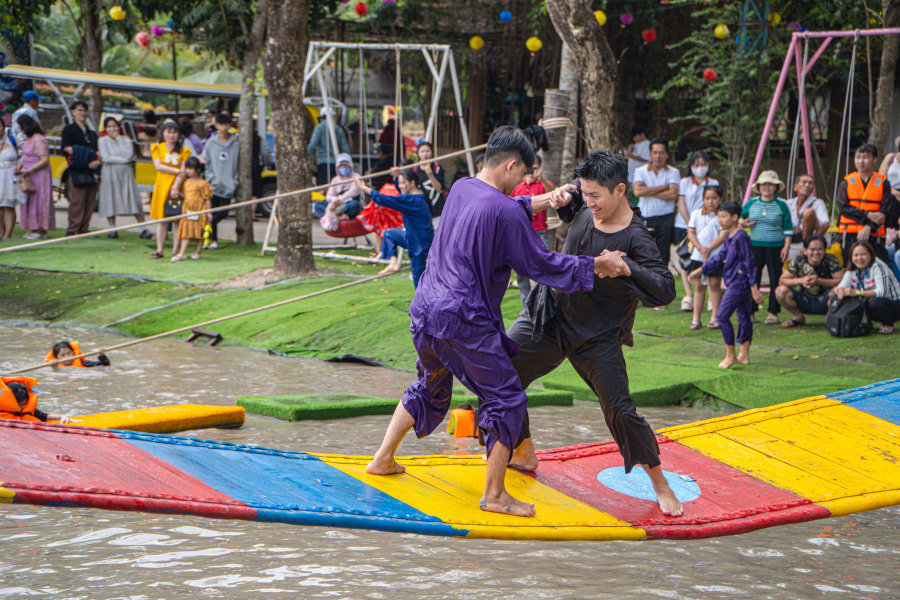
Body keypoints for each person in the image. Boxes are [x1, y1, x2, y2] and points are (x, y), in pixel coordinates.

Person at [365, 126, 606, 518]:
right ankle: (495, 495)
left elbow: (498, 209)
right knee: (507, 398)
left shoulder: (460, 187)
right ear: (511, 164)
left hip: (425, 310)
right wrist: (596, 266)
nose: (521, 183)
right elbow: (540, 264)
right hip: (463, 319)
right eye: (521, 175)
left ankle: (382, 458)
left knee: (429, 383)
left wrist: (545, 198)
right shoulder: (506, 208)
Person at [505, 150, 684, 517]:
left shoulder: (637, 238)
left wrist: (627, 268)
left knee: (619, 409)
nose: (589, 202)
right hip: (549, 315)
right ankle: (522, 450)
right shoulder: (586, 207)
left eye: (595, 196)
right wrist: (567, 196)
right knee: (503, 368)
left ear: (620, 190)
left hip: (596, 336)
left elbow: (666, 289)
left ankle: (660, 484)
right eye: (585, 194)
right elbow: (575, 200)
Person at [694, 202, 766, 369]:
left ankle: (731, 355)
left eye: (724, 216)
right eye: (719, 216)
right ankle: (744, 355)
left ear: (735, 217)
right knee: (743, 316)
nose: (720, 220)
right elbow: (720, 256)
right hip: (734, 281)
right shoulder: (730, 237)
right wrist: (701, 270)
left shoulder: (741, 237)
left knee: (722, 316)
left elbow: (749, 263)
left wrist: (754, 288)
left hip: (739, 283)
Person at [354, 168, 433, 286]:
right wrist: (397, 177)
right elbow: (401, 193)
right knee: (389, 234)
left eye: (402, 182)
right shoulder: (417, 194)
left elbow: (385, 200)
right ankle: (393, 262)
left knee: (419, 282)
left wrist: (364, 188)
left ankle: (423, 304)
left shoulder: (411, 200)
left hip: (419, 243)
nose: (400, 186)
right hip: (415, 237)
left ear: (412, 183)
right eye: (399, 183)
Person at [740, 170, 793, 324]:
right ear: (759, 186)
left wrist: (786, 247)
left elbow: (788, 228)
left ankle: (774, 312)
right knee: (752, 278)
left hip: (776, 246)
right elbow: (740, 218)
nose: (766, 187)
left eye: (770, 184)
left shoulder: (782, 204)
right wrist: (745, 223)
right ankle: (751, 312)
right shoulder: (751, 202)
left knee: (775, 278)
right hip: (755, 246)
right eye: (763, 184)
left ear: (776, 187)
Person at [632, 138, 680, 297]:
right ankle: (641, 291)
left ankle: (660, 292)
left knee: (663, 255)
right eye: (655, 152)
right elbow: (637, 192)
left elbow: (673, 194)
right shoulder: (641, 170)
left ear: (666, 154)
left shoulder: (673, 171)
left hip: (666, 218)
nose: (658, 156)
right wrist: (663, 187)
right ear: (650, 154)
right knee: (641, 254)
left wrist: (649, 190)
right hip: (645, 217)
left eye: (661, 152)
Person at [837, 144, 895, 265]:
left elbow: (885, 210)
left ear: (874, 160)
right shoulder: (846, 182)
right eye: (858, 157)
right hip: (850, 233)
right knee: (851, 267)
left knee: (881, 266)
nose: (861, 161)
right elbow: (843, 208)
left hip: (874, 233)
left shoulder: (883, 182)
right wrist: (868, 214)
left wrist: (869, 226)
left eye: (865, 157)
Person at [676, 151, 719, 311]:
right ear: (691, 166)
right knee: (685, 258)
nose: (700, 167)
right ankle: (689, 295)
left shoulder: (713, 182)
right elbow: (681, 205)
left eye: (703, 163)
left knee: (707, 257)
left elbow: (715, 203)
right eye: (696, 164)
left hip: (708, 225)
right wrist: (691, 226)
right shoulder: (685, 181)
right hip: (684, 224)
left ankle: (709, 295)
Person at [511, 155, 555, 307]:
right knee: (521, 273)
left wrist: (541, 179)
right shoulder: (518, 187)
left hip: (539, 232)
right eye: (529, 166)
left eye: (534, 166)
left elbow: (554, 194)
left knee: (542, 269)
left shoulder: (543, 184)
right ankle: (527, 308)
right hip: (521, 233)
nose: (531, 170)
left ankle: (543, 305)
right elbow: (509, 207)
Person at [775, 234, 844, 327]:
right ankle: (798, 316)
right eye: (812, 249)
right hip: (804, 299)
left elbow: (842, 280)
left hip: (826, 300)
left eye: (820, 249)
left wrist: (819, 281)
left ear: (825, 250)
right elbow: (782, 280)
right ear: (805, 250)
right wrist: (801, 280)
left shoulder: (830, 259)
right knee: (780, 290)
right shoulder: (798, 260)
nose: (816, 252)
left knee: (838, 290)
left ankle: (830, 315)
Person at [98, 116, 150, 239]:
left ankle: (143, 228)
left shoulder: (126, 139)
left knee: (133, 198)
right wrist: (125, 160)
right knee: (110, 197)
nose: (112, 129)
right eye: (109, 126)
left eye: (114, 126)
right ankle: (112, 228)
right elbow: (106, 158)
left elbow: (129, 153)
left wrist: (120, 142)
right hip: (109, 172)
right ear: (105, 128)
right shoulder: (102, 140)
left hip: (126, 173)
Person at [833, 241, 900, 334]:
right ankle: (863, 323)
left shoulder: (878, 267)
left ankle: (888, 324)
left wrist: (856, 292)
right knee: (840, 297)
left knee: (873, 302)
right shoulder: (852, 270)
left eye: (863, 254)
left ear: (870, 255)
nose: (859, 258)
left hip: (894, 304)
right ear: (851, 257)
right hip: (871, 304)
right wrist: (841, 291)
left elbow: (881, 292)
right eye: (855, 255)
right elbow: (840, 287)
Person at [149, 121, 192, 259]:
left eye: (174, 132)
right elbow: (158, 166)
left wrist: (176, 186)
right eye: (169, 132)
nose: (171, 135)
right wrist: (176, 170)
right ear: (163, 133)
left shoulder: (184, 150)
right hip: (162, 186)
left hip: (177, 187)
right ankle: (160, 250)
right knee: (162, 220)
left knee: (177, 219)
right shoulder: (157, 148)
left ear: (179, 134)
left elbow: (184, 171)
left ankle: (175, 250)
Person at [686, 185, 727, 330]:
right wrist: (700, 248)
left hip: (716, 256)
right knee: (699, 286)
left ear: (720, 199)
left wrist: (708, 249)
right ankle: (696, 318)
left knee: (715, 286)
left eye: (714, 198)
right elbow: (691, 233)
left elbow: (723, 236)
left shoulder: (722, 215)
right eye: (707, 198)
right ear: (703, 199)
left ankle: (715, 318)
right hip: (698, 255)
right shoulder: (696, 214)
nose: (710, 201)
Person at [61, 100, 100, 236]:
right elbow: (67, 148)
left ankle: (83, 228)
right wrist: (89, 155)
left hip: (91, 171)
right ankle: (72, 228)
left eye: (84, 110)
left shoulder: (91, 133)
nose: (82, 113)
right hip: (77, 170)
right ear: (73, 112)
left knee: (90, 201)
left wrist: (96, 161)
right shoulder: (69, 130)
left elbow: (98, 153)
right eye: (79, 110)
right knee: (77, 200)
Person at [201, 113, 239, 250]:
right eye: (221, 124)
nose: (224, 127)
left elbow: (238, 164)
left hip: (229, 185)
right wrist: (211, 178)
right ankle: (213, 240)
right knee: (213, 210)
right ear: (216, 126)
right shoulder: (211, 142)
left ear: (230, 125)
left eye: (226, 124)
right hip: (214, 185)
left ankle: (206, 229)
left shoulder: (235, 144)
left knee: (222, 213)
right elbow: (205, 162)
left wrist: (235, 182)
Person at [14, 115, 53, 240]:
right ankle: (34, 228)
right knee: (31, 200)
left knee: (40, 200)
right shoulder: (30, 139)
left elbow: (45, 160)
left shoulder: (38, 139)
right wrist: (22, 164)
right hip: (30, 174)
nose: (20, 130)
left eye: (21, 127)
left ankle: (41, 230)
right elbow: (29, 155)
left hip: (40, 176)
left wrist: (29, 170)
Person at [172, 157, 213, 262]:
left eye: (191, 168)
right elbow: (186, 196)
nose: (188, 171)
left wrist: (208, 212)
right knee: (186, 230)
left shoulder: (203, 183)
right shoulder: (186, 182)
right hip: (188, 210)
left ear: (198, 169)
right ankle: (182, 252)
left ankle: (198, 251)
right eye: (187, 168)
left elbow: (207, 198)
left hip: (200, 209)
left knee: (200, 231)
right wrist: (178, 194)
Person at [786, 174, 829, 260]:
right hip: (794, 242)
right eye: (804, 182)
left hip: (813, 243)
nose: (807, 185)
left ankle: (806, 246)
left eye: (810, 183)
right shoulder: (788, 203)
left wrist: (811, 243)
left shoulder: (818, 202)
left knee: (808, 212)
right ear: (795, 187)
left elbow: (825, 224)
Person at [0, 377, 72, 424]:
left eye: (24, 403)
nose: (22, 407)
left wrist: (61, 417)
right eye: (19, 404)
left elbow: (44, 416)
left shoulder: (27, 410)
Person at [318, 154, 362, 231]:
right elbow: (329, 196)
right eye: (342, 166)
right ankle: (334, 217)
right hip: (335, 205)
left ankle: (343, 216)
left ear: (351, 166)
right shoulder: (335, 180)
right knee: (318, 205)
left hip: (348, 203)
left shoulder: (357, 177)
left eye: (346, 166)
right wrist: (334, 201)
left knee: (355, 205)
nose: (344, 168)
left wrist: (339, 200)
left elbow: (353, 192)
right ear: (337, 167)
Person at [308, 107, 351, 185]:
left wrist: (307, 159)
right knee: (335, 186)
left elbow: (312, 146)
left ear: (321, 117)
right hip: (336, 164)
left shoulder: (319, 128)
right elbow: (346, 149)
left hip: (323, 163)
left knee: (324, 186)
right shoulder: (339, 130)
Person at [412, 141, 446, 216]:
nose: (425, 154)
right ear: (418, 153)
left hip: (437, 208)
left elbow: (438, 188)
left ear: (432, 152)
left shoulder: (437, 168)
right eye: (422, 151)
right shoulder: (414, 170)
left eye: (428, 151)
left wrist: (430, 175)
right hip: (421, 208)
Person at [0, 121, 18, 238]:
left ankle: (8, 233)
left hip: (10, 175)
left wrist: (20, 164)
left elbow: (26, 151)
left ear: (4, 127)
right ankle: (1, 231)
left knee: (9, 205)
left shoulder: (12, 140)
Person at [624, 126, 651, 195]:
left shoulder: (647, 144)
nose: (634, 139)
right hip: (632, 175)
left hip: (641, 176)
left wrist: (631, 155)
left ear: (642, 134)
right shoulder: (637, 144)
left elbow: (646, 158)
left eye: (635, 136)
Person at [45, 341, 111, 369]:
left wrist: (101, 355)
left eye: (69, 353)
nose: (67, 357)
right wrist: (55, 368)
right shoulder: (51, 367)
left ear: (73, 353)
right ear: (57, 357)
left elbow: (105, 365)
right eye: (63, 355)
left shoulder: (84, 363)